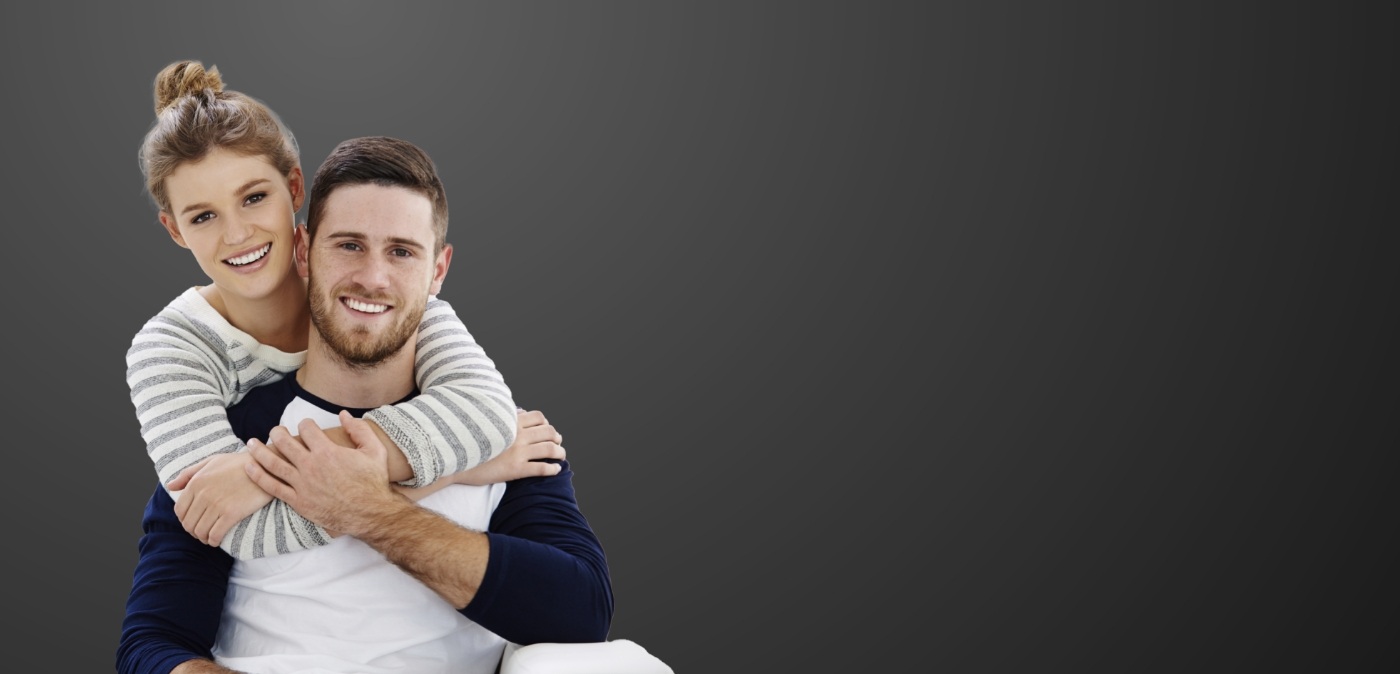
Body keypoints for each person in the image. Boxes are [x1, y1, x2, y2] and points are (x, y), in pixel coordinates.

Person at [117, 136, 613, 674]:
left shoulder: (502, 434)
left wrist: (371, 510)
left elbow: (581, 615)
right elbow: (152, 645)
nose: (373, 278)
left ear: (438, 271)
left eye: (401, 251)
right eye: (349, 245)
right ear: (305, 252)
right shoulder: (232, 440)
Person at [126, 60, 550, 561]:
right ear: (175, 230)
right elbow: (244, 532)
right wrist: (461, 469)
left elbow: (484, 414)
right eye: (203, 216)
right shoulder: (170, 351)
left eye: (255, 197)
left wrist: (253, 471)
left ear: (296, 189)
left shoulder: (362, 284)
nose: (237, 234)